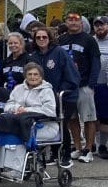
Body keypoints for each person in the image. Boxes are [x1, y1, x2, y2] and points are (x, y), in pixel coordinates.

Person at [29, 26, 79, 168]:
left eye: (44, 37)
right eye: (38, 37)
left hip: (64, 96)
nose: (41, 39)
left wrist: (60, 91)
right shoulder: (34, 56)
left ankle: (66, 154)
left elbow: (72, 75)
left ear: (49, 38)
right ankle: (54, 153)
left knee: (61, 124)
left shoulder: (59, 52)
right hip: (44, 97)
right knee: (49, 124)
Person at [57, 12, 101, 163]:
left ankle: (88, 149)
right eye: (70, 20)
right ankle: (77, 147)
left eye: (76, 20)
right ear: (66, 22)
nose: (73, 23)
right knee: (72, 118)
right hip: (67, 86)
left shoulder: (89, 40)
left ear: (81, 23)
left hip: (83, 84)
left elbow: (96, 62)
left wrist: (91, 84)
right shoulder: (61, 40)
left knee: (88, 118)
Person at [0, 62, 57, 142]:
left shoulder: (47, 91)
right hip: (18, 125)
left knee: (13, 137)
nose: (32, 77)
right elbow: (7, 106)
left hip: (45, 126)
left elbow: (50, 111)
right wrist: (18, 108)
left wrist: (26, 110)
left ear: (41, 76)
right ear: (25, 76)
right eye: (29, 74)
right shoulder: (18, 89)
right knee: (1, 134)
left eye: (36, 74)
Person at [90, 17, 108, 159]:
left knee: (106, 118)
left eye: (102, 25)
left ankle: (102, 145)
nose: (99, 28)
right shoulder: (90, 40)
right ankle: (93, 143)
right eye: (96, 25)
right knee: (92, 117)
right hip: (91, 84)